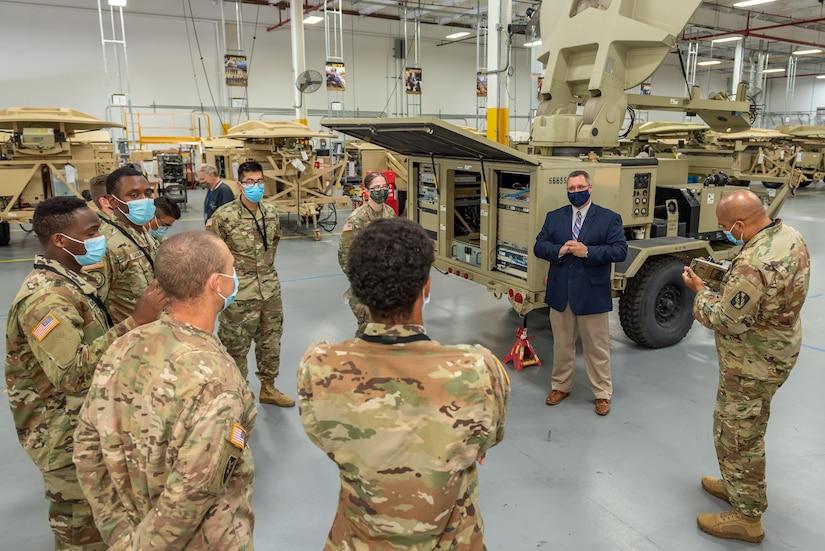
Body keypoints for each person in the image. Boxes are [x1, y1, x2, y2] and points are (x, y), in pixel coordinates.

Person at [298, 217, 510, 550]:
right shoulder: (477, 371)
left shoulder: (320, 369)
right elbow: (486, 441)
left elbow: (326, 439)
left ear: (358, 290)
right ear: (426, 286)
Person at [73, 231, 256, 549]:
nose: (235, 276)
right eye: (232, 268)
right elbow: (189, 500)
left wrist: (119, 533)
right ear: (217, 284)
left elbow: (87, 448)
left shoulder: (124, 345)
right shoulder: (219, 384)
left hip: (129, 527)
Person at [5, 196, 165, 551]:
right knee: (82, 530)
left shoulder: (73, 280)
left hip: (85, 425)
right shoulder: (46, 300)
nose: (100, 239)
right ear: (61, 240)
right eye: (92, 232)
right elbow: (72, 374)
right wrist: (136, 321)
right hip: (63, 438)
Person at [681, 189, 810, 543]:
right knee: (747, 424)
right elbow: (768, 292)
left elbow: (726, 320)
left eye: (725, 227)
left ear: (739, 224)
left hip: (753, 361)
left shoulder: (754, 262)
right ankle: (737, 484)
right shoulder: (787, 236)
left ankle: (747, 516)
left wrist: (701, 291)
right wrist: (731, 280)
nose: (726, 232)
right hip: (778, 349)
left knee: (739, 433)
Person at [534, 169, 628, 416]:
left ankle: (602, 393)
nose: (576, 192)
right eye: (571, 189)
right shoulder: (554, 217)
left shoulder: (609, 218)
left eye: (580, 187)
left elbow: (619, 251)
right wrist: (559, 249)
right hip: (560, 292)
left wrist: (588, 252)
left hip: (591, 294)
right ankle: (560, 386)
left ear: (590, 188)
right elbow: (539, 246)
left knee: (596, 348)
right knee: (562, 345)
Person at [207, 160, 293, 407]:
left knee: (271, 342)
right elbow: (214, 257)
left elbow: (273, 244)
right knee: (236, 347)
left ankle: (268, 387)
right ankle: (240, 394)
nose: (255, 186)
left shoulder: (271, 212)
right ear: (239, 185)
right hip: (238, 294)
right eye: (249, 182)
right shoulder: (223, 217)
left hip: (270, 290)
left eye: (259, 181)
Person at [87, 166, 159, 324]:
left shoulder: (142, 234)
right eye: (134, 195)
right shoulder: (106, 245)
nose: (144, 199)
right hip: (128, 339)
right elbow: (94, 308)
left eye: (147, 193)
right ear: (112, 201)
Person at [337, 172, 396, 337]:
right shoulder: (357, 219)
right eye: (376, 187)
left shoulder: (390, 213)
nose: (381, 190)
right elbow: (345, 256)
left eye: (384, 187)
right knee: (369, 332)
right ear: (367, 191)